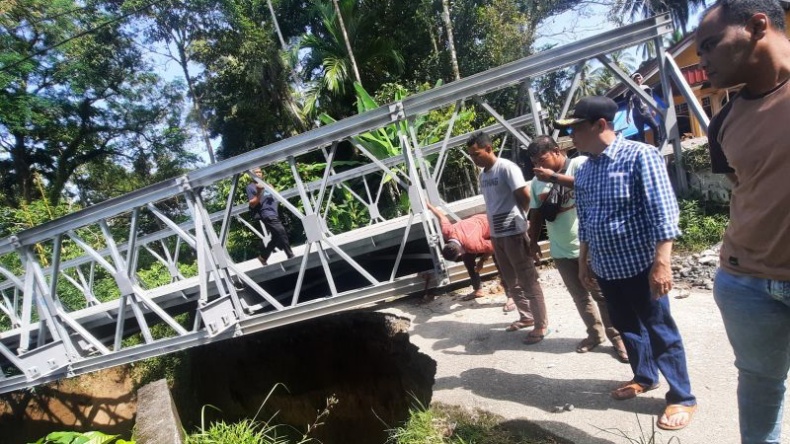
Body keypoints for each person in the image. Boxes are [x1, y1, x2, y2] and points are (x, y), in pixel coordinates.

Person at [556, 96, 696, 430]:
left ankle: (682, 396)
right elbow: (586, 220)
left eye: (576, 128)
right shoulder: (585, 170)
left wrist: (662, 263)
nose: (571, 136)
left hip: (641, 266)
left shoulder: (640, 156)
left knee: (660, 330)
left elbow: (663, 212)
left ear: (600, 125)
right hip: (607, 268)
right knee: (627, 326)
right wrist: (584, 262)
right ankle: (644, 376)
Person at [697, 1, 790, 442]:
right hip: (746, 283)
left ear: (757, 26)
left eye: (710, 45)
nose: (703, 60)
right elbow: (747, 189)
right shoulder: (723, 123)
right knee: (759, 384)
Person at [525, 135, 628, 363]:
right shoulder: (536, 182)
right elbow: (536, 214)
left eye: (542, 159)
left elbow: (592, 187)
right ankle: (595, 334)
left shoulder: (580, 165)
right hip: (560, 250)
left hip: (589, 246)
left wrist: (553, 177)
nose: (539, 166)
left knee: (601, 295)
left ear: (556, 151)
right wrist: (532, 243)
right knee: (580, 297)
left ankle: (618, 338)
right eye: (535, 162)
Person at [465, 131, 549, 344]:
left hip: (513, 233)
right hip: (497, 235)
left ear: (489, 148)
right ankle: (526, 317)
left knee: (528, 280)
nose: (474, 159)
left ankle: (541, 324)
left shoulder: (506, 168)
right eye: (471, 155)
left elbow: (525, 197)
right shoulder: (483, 176)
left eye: (476, 154)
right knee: (511, 281)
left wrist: (520, 221)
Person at [425, 202, 498, 301]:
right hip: (476, 223)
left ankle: (510, 288)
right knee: (467, 259)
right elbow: (441, 216)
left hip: (492, 225)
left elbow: (494, 246)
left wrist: (482, 261)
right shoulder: (447, 231)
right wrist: (429, 205)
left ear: (459, 253)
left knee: (498, 256)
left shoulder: (473, 245)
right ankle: (478, 290)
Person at [247, 167, 294, 265]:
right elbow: (252, 204)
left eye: (260, 172)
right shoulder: (251, 187)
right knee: (281, 231)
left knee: (276, 237)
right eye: (256, 172)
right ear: (251, 175)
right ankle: (290, 255)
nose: (258, 174)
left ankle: (263, 257)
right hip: (266, 214)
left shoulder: (267, 185)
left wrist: (272, 190)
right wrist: (259, 192)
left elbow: (274, 198)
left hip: (274, 212)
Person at [626, 72, 663, 147]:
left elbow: (651, 99)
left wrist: (653, 109)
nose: (638, 80)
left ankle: (657, 143)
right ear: (633, 80)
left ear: (641, 79)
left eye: (639, 78)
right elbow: (628, 105)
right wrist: (627, 116)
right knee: (641, 132)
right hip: (637, 115)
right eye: (636, 79)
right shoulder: (629, 92)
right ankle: (644, 146)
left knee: (655, 127)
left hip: (646, 113)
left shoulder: (646, 88)